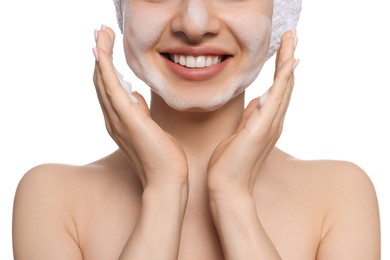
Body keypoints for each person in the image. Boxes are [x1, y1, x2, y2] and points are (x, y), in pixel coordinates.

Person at [12, 0, 380, 259]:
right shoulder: (52, 199)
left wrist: (232, 198)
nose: (194, 23)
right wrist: (163, 191)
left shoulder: (339, 197)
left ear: (280, 12)